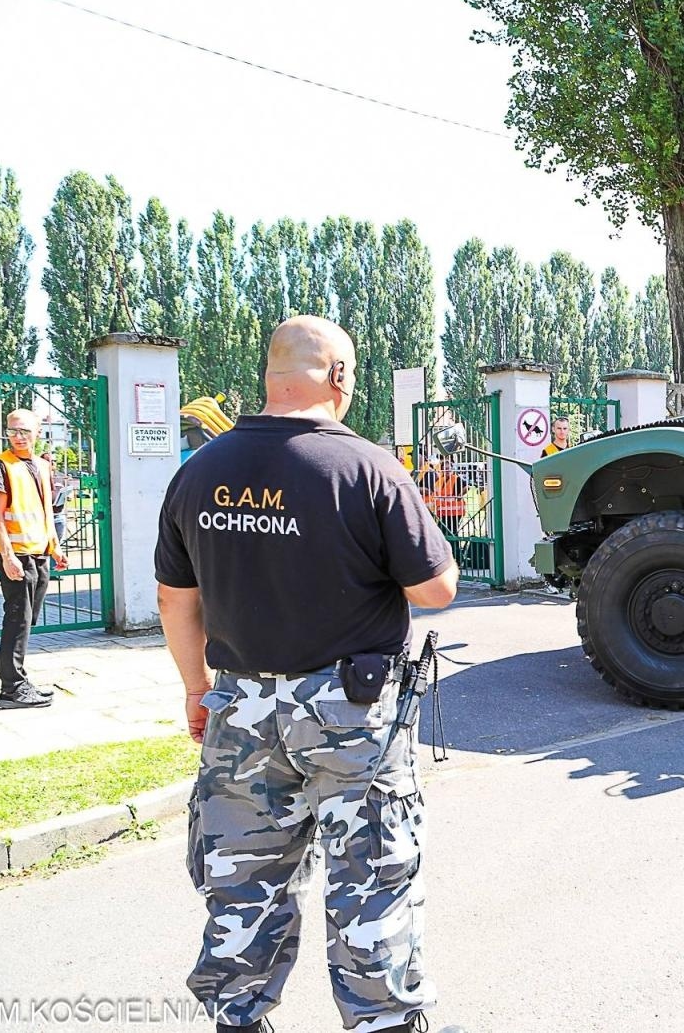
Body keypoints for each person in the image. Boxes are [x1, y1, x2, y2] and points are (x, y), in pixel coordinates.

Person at [155, 316, 458, 1033]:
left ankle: (238, 1016)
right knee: (372, 883)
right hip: (350, 718)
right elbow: (436, 589)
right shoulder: (367, 468)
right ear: (340, 376)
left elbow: (176, 598)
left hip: (240, 712)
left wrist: (197, 688)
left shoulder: (200, 470)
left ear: (272, 373)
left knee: (243, 881)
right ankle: (382, 1022)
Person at [0, 410, 66, 709]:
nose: (18, 436)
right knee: (17, 619)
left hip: (39, 553)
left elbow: (46, 511)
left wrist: (55, 546)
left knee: (28, 620)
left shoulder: (41, 465)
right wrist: (7, 556)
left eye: (23, 430)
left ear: (38, 432)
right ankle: (12, 689)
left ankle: (19, 681)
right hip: (17, 555)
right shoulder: (3, 465)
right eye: (12, 431)